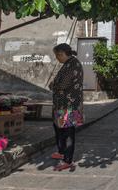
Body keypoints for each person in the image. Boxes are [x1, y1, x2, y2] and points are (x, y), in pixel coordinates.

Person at [49, 43, 84, 171]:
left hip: (69, 105)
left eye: (57, 56)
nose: (57, 58)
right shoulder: (68, 64)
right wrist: (54, 84)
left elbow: (61, 84)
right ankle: (62, 152)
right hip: (62, 104)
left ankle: (67, 159)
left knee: (68, 132)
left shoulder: (72, 65)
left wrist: (54, 84)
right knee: (59, 129)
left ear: (62, 54)